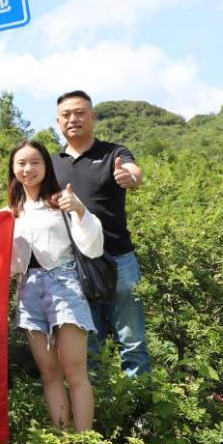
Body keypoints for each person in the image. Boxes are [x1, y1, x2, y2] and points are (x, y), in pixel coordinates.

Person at [51, 90, 150, 376]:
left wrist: (130, 177)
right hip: (76, 266)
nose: (73, 119)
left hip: (119, 259)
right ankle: (101, 404)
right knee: (90, 349)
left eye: (80, 113)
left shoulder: (114, 153)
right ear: (58, 122)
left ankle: (139, 403)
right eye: (66, 115)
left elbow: (134, 172)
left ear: (93, 117)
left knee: (132, 343)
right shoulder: (52, 163)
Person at [7, 140, 103, 432]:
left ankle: (84, 442)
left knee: (75, 371)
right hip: (28, 288)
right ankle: (63, 440)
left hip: (64, 283)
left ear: (46, 166)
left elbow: (93, 245)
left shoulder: (60, 200)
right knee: (49, 372)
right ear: (13, 169)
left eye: (35, 162)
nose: (28, 169)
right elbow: (4, 260)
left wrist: (80, 209)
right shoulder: (12, 210)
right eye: (21, 163)